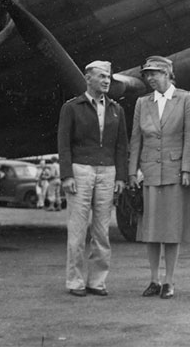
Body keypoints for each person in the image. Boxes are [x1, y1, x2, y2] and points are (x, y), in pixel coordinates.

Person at [129, 56, 190, 299]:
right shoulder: (142, 102)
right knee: (150, 230)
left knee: (171, 229)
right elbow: (136, 138)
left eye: (154, 73)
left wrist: (187, 169)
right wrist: (132, 171)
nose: (149, 78)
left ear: (168, 74)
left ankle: (169, 281)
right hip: (148, 172)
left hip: (174, 172)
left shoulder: (185, 98)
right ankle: (153, 279)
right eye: (147, 74)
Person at [58, 60, 128, 297]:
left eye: (108, 76)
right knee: (77, 231)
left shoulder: (117, 110)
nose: (106, 81)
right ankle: (75, 281)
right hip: (80, 171)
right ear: (88, 79)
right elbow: (64, 144)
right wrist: (66, 175)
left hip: (107, 172)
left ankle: (97, 281)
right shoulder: (72, 107)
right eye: (101, 76)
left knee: (101, 231)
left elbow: (121, 146)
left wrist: (121, 176)